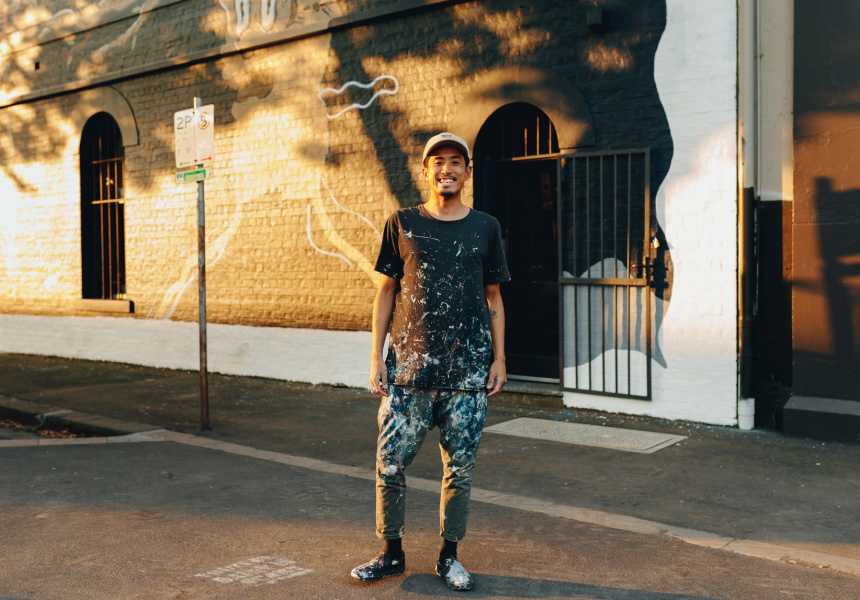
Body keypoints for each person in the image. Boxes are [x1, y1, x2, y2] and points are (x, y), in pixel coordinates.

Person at [350, 132, 510, 591]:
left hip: (467, 375)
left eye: (456, 161)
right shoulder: (401, 223)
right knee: (389, 465)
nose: (447, 169)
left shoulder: (486, 227)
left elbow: (494, 297)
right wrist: (377, 358)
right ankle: (391, 553)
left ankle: (449, 557)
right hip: (408, 371)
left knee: (459, 470)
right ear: (426, 171)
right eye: (438, 161)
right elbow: (385, 293)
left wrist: (499, 359)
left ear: (467, 171)